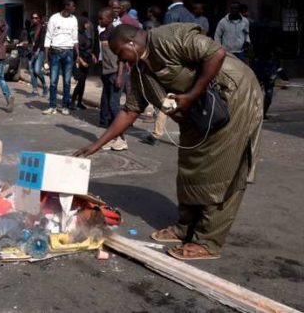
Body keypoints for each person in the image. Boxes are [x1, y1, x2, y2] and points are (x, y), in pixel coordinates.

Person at [75, 23, 263, 261]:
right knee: (190, 166)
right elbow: (130, 111)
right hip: (197, 111)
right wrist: (97, 145)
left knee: (219, 171)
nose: (121, 60)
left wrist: (192, 94)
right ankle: (185, 227)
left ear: (131, 43)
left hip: (232, 97)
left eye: (120, 53)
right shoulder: (140, 72)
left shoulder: (167, 38)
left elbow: (216, 53)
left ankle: (208, 240)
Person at [142, 0, 196, 146]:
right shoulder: (190, 15)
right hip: (189, 61)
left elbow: (166, 40)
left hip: (173, 62)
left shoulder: (171, 14)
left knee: (166, 98)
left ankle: (157, 134)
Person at [97, 7, 128, 151]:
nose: (99, 21)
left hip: (117, 73)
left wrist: (120, 76)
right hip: (107, 73)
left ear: (110, 19)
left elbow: (122, 56)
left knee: (114, 105)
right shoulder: (102, 34)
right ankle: (111, 137)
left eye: (102, 18)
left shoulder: (117, 34)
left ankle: (122, 138)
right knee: (109, 106)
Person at [43, 0, 79, 116]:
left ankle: (65, 106)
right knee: (53, 81)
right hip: (55, 52)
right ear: (66, 6)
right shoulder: (54, 18)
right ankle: (52, 106)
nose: (74, 8)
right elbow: (48, 37)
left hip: (69, 52)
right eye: (72, 6)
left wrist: (78, 55)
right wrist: (46, 57)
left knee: (67, 81)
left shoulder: (74, 19)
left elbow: (75, 38)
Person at [250, 6, 283, 119]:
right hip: (269, 61)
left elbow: (251, 42)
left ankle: (254, 111)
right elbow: (279, 46)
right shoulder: (276, 26)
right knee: (269, 89)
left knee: (255, 88)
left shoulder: (254, 26)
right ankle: (263, 113)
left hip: (257, 60)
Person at [70, 17, 93, 110]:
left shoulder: (86, 33)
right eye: (86, 23)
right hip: (79, 60)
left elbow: (88, 46)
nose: (88, 25)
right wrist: (81, 61)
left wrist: (92, 54)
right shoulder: (78, 35)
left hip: (87, 59)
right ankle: (72, 102)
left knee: (83, 83)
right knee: (80, 82)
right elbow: (76, 50)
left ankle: (79, 102)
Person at [28, 12, 47, 97]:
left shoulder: (42, 28)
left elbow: (42, 41)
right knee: (32, 71)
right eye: (33, 18)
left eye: (36, 18)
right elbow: (30, 40)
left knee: (37, 70)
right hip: (32, 51)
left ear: (39, 18)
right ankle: (35, 91)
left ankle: (44, 86)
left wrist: (38, 51)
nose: (34, 19)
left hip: (40, 51)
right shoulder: (31, 27)